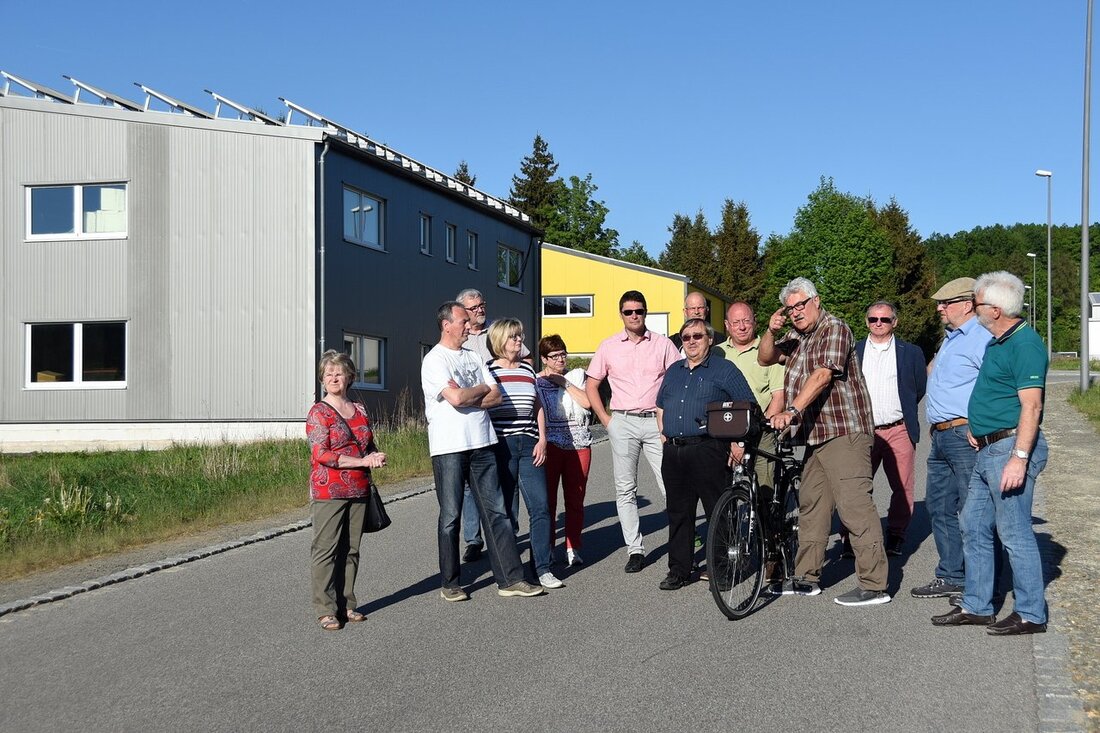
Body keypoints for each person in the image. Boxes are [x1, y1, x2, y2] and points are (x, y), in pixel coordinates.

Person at [760, 277, 890, 607]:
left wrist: (792, 410)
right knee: (812, 506)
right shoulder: (795, 336)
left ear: (816, 301)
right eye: (790, 309)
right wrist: (771, 331)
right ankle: (807, 577)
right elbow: (765, 358)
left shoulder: (836, 328)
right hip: (813, 436)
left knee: (854, 507)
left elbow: (823, 375)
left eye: (800, 305)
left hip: (844, 430)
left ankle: (875, 585)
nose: (795, 312)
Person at [932, 272, 1050, 635]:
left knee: (1014, 532)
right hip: (988, 447)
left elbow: (1031, 407)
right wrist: (978, 429)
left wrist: (1019, 456)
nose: (975, 308)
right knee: (972, 524)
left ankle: (1031, 612)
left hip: (1008, 449)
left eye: (979, 303)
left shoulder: (1024, 344)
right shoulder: (998, 342)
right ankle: (978, 605)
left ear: (995, 309)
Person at [421, 301, 544, 601]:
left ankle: (510, 579)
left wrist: (469, 393)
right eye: (463, 321)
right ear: (446, 324)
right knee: (451, 516)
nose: (469, 325)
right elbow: (455, 398)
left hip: (483, 443)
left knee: (497, 513)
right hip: (449, 447)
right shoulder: (434, 360)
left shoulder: (474, 356)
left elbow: (495, 396)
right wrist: (474, 392)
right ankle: (450, 583)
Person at [586, 290, 681, 573]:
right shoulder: (609, 346)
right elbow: (592, 384)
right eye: (628, 312)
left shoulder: (663, 345)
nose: (634, 316)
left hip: (656, 421)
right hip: (623, 421)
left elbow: (678, 380)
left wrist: (670, 420)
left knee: (670, 483)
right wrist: (606, 420)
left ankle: (682, 538)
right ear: (621, 314)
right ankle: (635, 549)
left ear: (645, 312)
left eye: (638, 311)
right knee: (626, 489)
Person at [656, 318, 754, 590]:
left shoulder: (724, 370)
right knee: (678, 514)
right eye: (685, 337)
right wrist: (664, 434)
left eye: (697, 336)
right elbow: (660, 405)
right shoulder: (674, 371)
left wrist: (738, 443)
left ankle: (722, 569)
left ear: (709, 339)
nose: (690, 341)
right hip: (674, 451)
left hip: (708, 449)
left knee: (718, 512)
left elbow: (747, 407)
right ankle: (680, 569)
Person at [911, 277, 993, 599]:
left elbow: (995, 384)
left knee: (974, 512)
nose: (939, 308)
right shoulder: (950, 338)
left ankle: (981, 583)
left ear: (967, 304)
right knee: (939, 506)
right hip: (942, 435)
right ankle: (951, 575)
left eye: (945, 303)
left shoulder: (981, 337)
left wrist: (980, 424)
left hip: (965, 434)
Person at [307, 350, 388, 630]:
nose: (333, 377)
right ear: (322, 378)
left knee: (351, 550)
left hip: (359, 488)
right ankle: (325, 609)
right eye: (328, 373)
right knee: (326, 550)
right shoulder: (319, 412)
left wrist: (375, 456)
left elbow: (368, 444)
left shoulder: (360, 410)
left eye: (338, 373)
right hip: (329, 490)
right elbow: (322, 454)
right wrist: (361, 461)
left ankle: (347, 604)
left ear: (349, 377)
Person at [840, 301, 927, 557]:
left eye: (885, 319)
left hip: (897, 428)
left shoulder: (910, 352)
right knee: (855, 486)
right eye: (873, 319)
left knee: (902, 485)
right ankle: (851, 537)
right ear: (866, 322)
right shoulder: (853, 352)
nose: (878, 323)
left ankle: (896, 534)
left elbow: (917, 388)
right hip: (862, 430)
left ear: (895, 322)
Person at [486, 318, 563, 590]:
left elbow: (538, 406)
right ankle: (511, 571)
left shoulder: (528, 371)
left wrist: (542, 439)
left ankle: (542, 568)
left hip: (531, 444)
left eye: (520, 336)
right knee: (506, 511)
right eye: (513, 337)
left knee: (541, 507)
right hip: (501, 446)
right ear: (499, 341)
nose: (519, 342)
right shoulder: (488, 371)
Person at [456, 288, 530, 563]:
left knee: (504, 478)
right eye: (473, 307)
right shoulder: (460, 338)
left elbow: (526, 361)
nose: (479, 310)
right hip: (472, 415)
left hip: (501, 415)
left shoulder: (498, 331)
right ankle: (473, 539)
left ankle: (509, 530)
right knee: (470, 482)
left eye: (481, 305)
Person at [534, 334, 592, 568]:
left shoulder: (576, 377)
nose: (560, 359)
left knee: (575, 499)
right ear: (544, 358)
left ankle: (572, 547)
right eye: (554, 356)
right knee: (547, 501)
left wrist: (564, 383)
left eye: (562, 354)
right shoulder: (535, 382)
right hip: (551, 446)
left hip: (579, 444)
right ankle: (547, 547)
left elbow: (588, 403)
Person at [717, 301, 786, 498]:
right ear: (726, 325)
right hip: (724, 428)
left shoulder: (769, 352)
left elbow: (778, 396)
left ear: (754, 322)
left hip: (759, 430)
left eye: (746, 321)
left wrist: (757, 428)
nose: (741, 326)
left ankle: (767, 525)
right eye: (736, 322)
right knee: (721, 488)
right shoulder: (717, 353)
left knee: (764, 489)